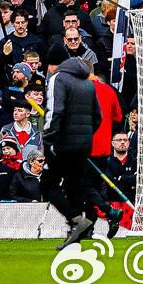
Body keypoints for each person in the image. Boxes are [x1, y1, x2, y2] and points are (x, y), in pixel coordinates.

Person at [43, 54, 101, 244]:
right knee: (74, 185)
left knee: (47, 184)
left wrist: (48, 138)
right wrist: (85, 136)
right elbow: (97, 116)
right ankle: (77, 234)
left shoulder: (58, 79)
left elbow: (55, 111)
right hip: (84, 144)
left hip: (63, 143)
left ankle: (75, 218)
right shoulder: (87, 83)